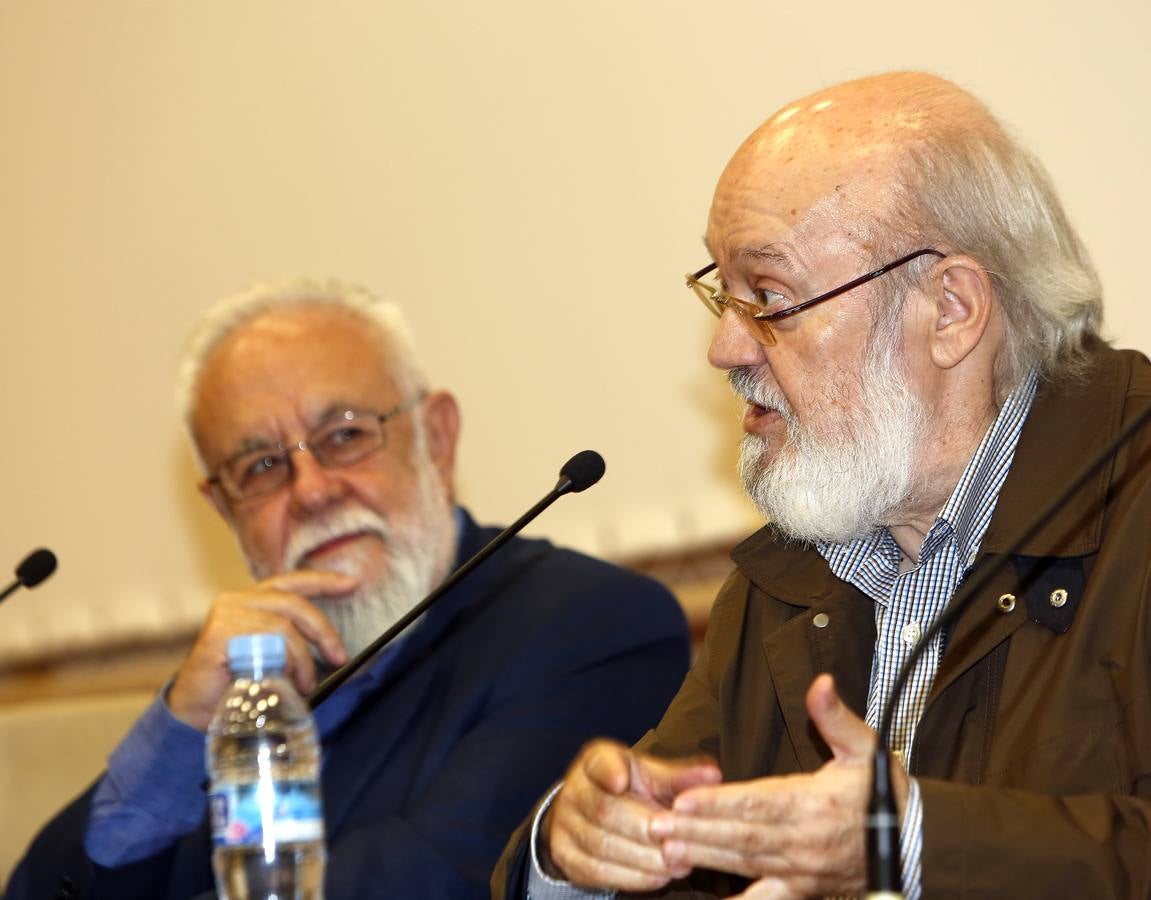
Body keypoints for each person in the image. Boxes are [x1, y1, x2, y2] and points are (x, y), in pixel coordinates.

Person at [493, 71, 1151, 899]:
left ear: (949, 310)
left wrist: (912, 845)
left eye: (769, 297)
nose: (725, 349)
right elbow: (664, 831)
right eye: (722, 296)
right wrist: (573, 849)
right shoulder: (793, 573)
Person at [7, 279, 691, 899]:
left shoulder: (590, 626)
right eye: (263, 465)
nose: (311, 490)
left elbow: (438, 883)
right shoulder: (232, 689)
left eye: (344, 435)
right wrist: (180, 728)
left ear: (438, 438)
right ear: (224, 510)